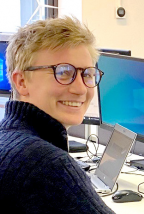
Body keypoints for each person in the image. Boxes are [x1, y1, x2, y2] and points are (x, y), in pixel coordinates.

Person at [0, 16, 115, 214]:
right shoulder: (45, 164)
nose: (80, 89)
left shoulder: (8, 138)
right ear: (21, 82)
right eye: (62, 72)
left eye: (87, 74)